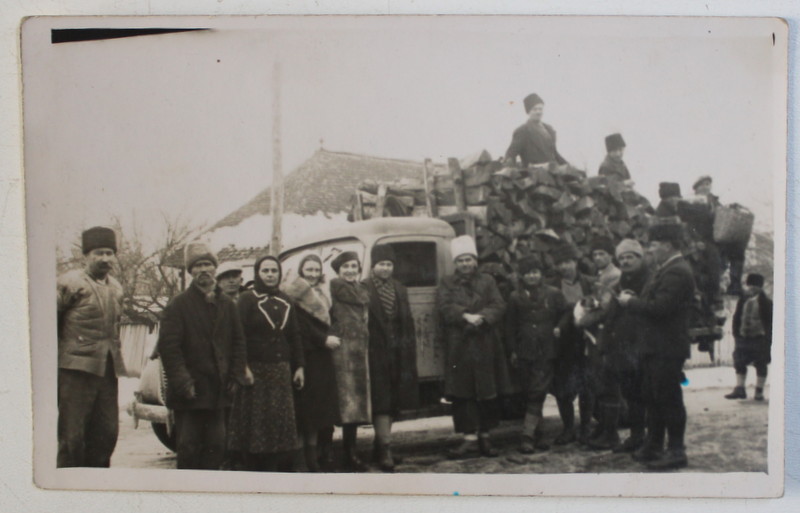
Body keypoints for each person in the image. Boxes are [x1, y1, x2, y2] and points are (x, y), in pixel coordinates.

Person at [157, 241, 247, 470]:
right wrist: (183, 383)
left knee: (217, 447)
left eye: (208, 264)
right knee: (189, 448)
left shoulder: (227, 305)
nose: (204, 270)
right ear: (190, 271)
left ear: (215, 269)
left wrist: (235, 376)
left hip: (218, 391)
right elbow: (169, 349)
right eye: (198, 266)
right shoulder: (178, 305)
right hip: (190, 394)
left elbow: (238, 342)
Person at [618, 223, 695, 470]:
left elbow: (659, 308)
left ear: (668, 245)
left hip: (667, 348)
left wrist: (630, 302)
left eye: (653, 245)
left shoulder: (678, 271)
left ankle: (676, 450)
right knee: (652, 397)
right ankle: (654, 445)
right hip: (656, 347)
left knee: (668, 399)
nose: (650, 250)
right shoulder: (666, 269)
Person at [227, 255, 305, 471]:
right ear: (257, 274)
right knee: (256, 424)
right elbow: (238, 336)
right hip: (256, 370)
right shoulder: (246, 300)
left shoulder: (286, 300)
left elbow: (294, 335)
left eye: (274, 271)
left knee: (279, 421)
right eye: (265, 271)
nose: (270, 275)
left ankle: (278, 465)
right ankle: (253, 466)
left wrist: (299, 366)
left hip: (281, 370)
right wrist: (242, 367)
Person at [56, 226, 126, 467]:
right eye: (98, 253)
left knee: (106, 434)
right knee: (72, 438)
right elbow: (47, 327)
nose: (105, 258)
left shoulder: (116, 288)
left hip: (106, 372)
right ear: (86, 255)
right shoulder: (68, 283)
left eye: (109, 252)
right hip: (74, 372)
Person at [436, 235, 511, 459]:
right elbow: (444, 306)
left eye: (468, 259)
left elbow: (498, 304)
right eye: (460, 261)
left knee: (488, 392)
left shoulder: (487, 281)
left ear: (475, 260)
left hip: (485, 342)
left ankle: (486, 437)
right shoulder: (447, 283)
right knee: (463, 393)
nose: (465, 264)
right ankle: (469, 440)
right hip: (460, 345)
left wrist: (483, 317)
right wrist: (465, 316)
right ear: (455, 263)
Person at [588, 239, 651, 451]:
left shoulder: (649, 281)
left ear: (640, 258)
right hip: (622, 346)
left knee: (646, 393)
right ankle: (635, 436)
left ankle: (651, 439)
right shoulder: (620, 283)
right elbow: (609, 315)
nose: (625, 261)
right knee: (631, 393)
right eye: (622, 258)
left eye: (630, 257)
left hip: (643, 345)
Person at [282, 254, 341, 472]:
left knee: (318, 410)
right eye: (309, 270)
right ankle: (301, 459)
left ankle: (313, 456)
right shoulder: (295, 294)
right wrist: (323, 339)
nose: (313, 274)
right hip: (306, 355)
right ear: (301, 271)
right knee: (304, 408)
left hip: (323, 358)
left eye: (316, 270)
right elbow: (301, 326)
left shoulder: (323, 293)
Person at [363, 244, 418, 471]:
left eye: (389, 264)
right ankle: (386, 450)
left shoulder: (399, 288)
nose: (385, 268)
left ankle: (380, 447)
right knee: (381, 401)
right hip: (374, 353)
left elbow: (407, 322)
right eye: (381, 264)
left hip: (397, 352)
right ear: (373, 266)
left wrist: (407, 350)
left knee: (393, 399)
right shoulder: (363, 288)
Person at [506, 256, 567, 453]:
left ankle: (527, 436)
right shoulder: (515, 296)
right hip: (524, 350)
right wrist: (513, 350)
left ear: (540, 274)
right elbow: (511, 326)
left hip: (546, 350)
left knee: (537, 391)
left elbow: (566, 313)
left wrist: (559, 326)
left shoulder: (553, 293)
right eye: (527, 273)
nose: (531, 276)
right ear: (521, 276)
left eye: (535, 272)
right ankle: (539, 434)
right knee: (529, 391)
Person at [547, 243, 598, 445]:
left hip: (586, 342)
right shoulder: (551, 285)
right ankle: (568, 428)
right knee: (563, 389)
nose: (565, 266)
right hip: (563, 344)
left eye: (568, 261)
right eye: (560, 263)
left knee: (588, 386)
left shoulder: (590, 283)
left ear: (576, 262)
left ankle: (585, 426)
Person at [328, 251, 372, 471]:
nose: (350, 270)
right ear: (338, 271)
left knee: (354, 405)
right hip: (341, 352)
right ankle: (337, 453)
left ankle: (350, 451)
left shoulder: (362, 291)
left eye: (354, 266)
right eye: (345, 267)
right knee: (344, 404)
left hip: (359, 352)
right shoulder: (334, 289)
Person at [725, 273, 773, 401]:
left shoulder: (766, 302)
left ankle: (759, 391)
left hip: (759, 338)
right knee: (739, 362)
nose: (750, 288)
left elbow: (770, 322)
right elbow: (736, 318)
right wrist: (736, 334)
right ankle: (740, 388)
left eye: (754, 286)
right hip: (743, 337)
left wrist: (768, 339)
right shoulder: (743, 300)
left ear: (760, 287)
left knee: (761, 363)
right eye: (749, 285)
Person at [504, 93, 568, 168]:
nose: (538, 112)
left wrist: (569, 166)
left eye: (540, 109)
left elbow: (554, 154)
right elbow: (510, 155)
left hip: (552, 170)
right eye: (534, 109)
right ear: (528, 112)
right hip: (534, 174)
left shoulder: (549, 129)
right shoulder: (522, 131)